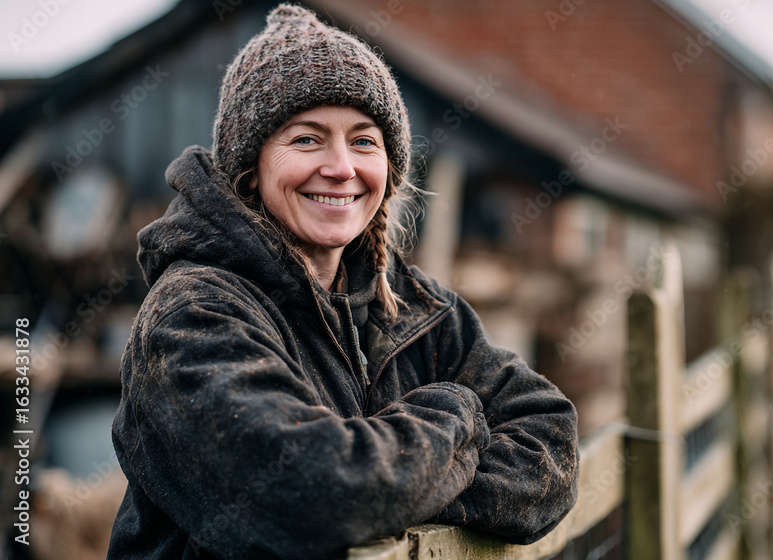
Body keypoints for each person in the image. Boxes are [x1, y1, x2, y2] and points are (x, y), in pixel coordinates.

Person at [108, 5, 579, 559]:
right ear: (249, 166)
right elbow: (317, 493)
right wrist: (460, 415)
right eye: (306, 139)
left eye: (363, 141)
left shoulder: (414, 307)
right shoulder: (192, 315)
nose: (341, 167)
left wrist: (402, 487)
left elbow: (551, 443)